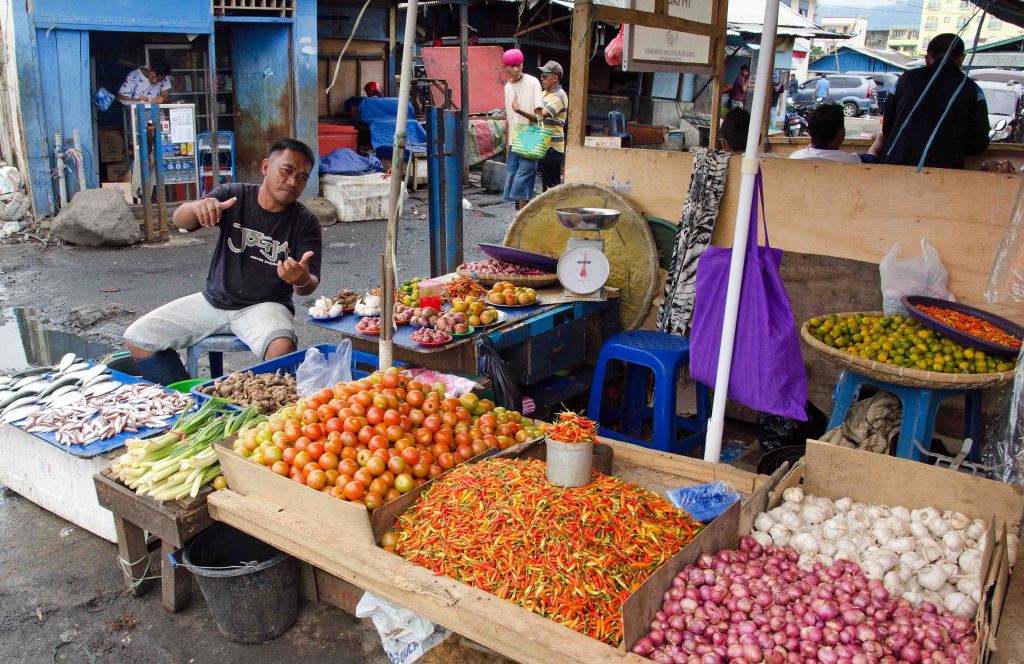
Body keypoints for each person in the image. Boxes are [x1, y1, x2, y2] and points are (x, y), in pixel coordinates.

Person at [123, 139, 322, 385]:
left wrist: (300, 279)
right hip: (212, 301)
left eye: (302, 177)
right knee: (138, 338)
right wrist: (200, 206)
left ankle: (256, 410)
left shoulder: (306, 222)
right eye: (287, 171)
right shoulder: (234, 195)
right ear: (265, 167)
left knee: (281, 348)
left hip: (265, 306)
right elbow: (180, 220)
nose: (293, 181)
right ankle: (189, 398)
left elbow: (309, 283)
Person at [881, 33, 989, 169]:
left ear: (926, 59)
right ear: (962, 58)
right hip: (945, 172)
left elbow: (887, 128)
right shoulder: (972, 89)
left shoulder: (905, 80)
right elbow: (978, 144)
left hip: (896, 165)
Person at [502, 48, 544, 210]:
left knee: (524, 176)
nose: (516, 69)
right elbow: (509, 120)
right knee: (512, 176)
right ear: (506, 67)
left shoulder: (533, 82)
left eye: (518, 65)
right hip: (514, 139)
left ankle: (522, 216)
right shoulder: (507, 87)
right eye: (512, 66)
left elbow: (539, 118)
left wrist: (520, 111)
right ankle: (519, 216)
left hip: (530, 135)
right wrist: (507, 145)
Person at [790, 103, 879, 164]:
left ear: (810, 132)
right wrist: (879, 137)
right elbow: (873, 155)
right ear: (840, 133)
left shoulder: (795, 157)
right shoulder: (853, 161)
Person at [537, 60, 567, 192]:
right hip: (544, 146)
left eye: (545, 76)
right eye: (541, 76)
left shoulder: (560, 96)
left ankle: (554, 212)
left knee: (552, 188)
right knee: (546, 187)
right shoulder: (544, 93)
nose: (542, 78)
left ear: (555, 77)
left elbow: (541, 114)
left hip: (553, 149)